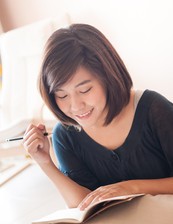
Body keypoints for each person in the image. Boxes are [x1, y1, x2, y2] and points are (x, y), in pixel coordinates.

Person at [23, 23, 173, 210]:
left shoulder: (153, 109)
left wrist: (132, 187)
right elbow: (83, 205)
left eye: (84, 90)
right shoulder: (66, 135)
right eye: (62, 95)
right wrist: (45, 162)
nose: (76, 106)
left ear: (108, 77)